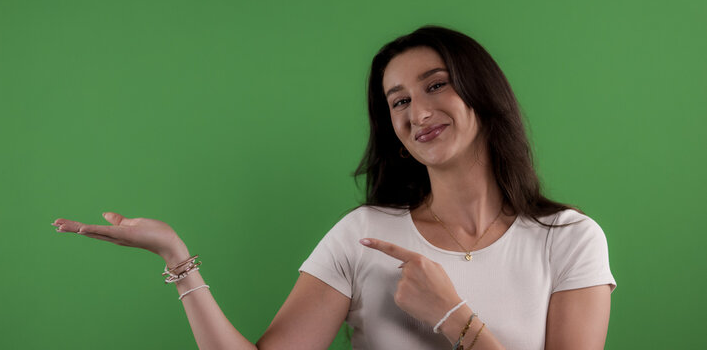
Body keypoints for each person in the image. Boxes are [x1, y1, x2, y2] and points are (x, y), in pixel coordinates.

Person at [53, 25, 616, 349]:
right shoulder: (363, 235)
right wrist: (179, 259)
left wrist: (451, 315)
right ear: (395, 133)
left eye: (435, 85)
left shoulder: (567, 239)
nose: (418, 111)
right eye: (398, 101)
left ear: (482, 96)